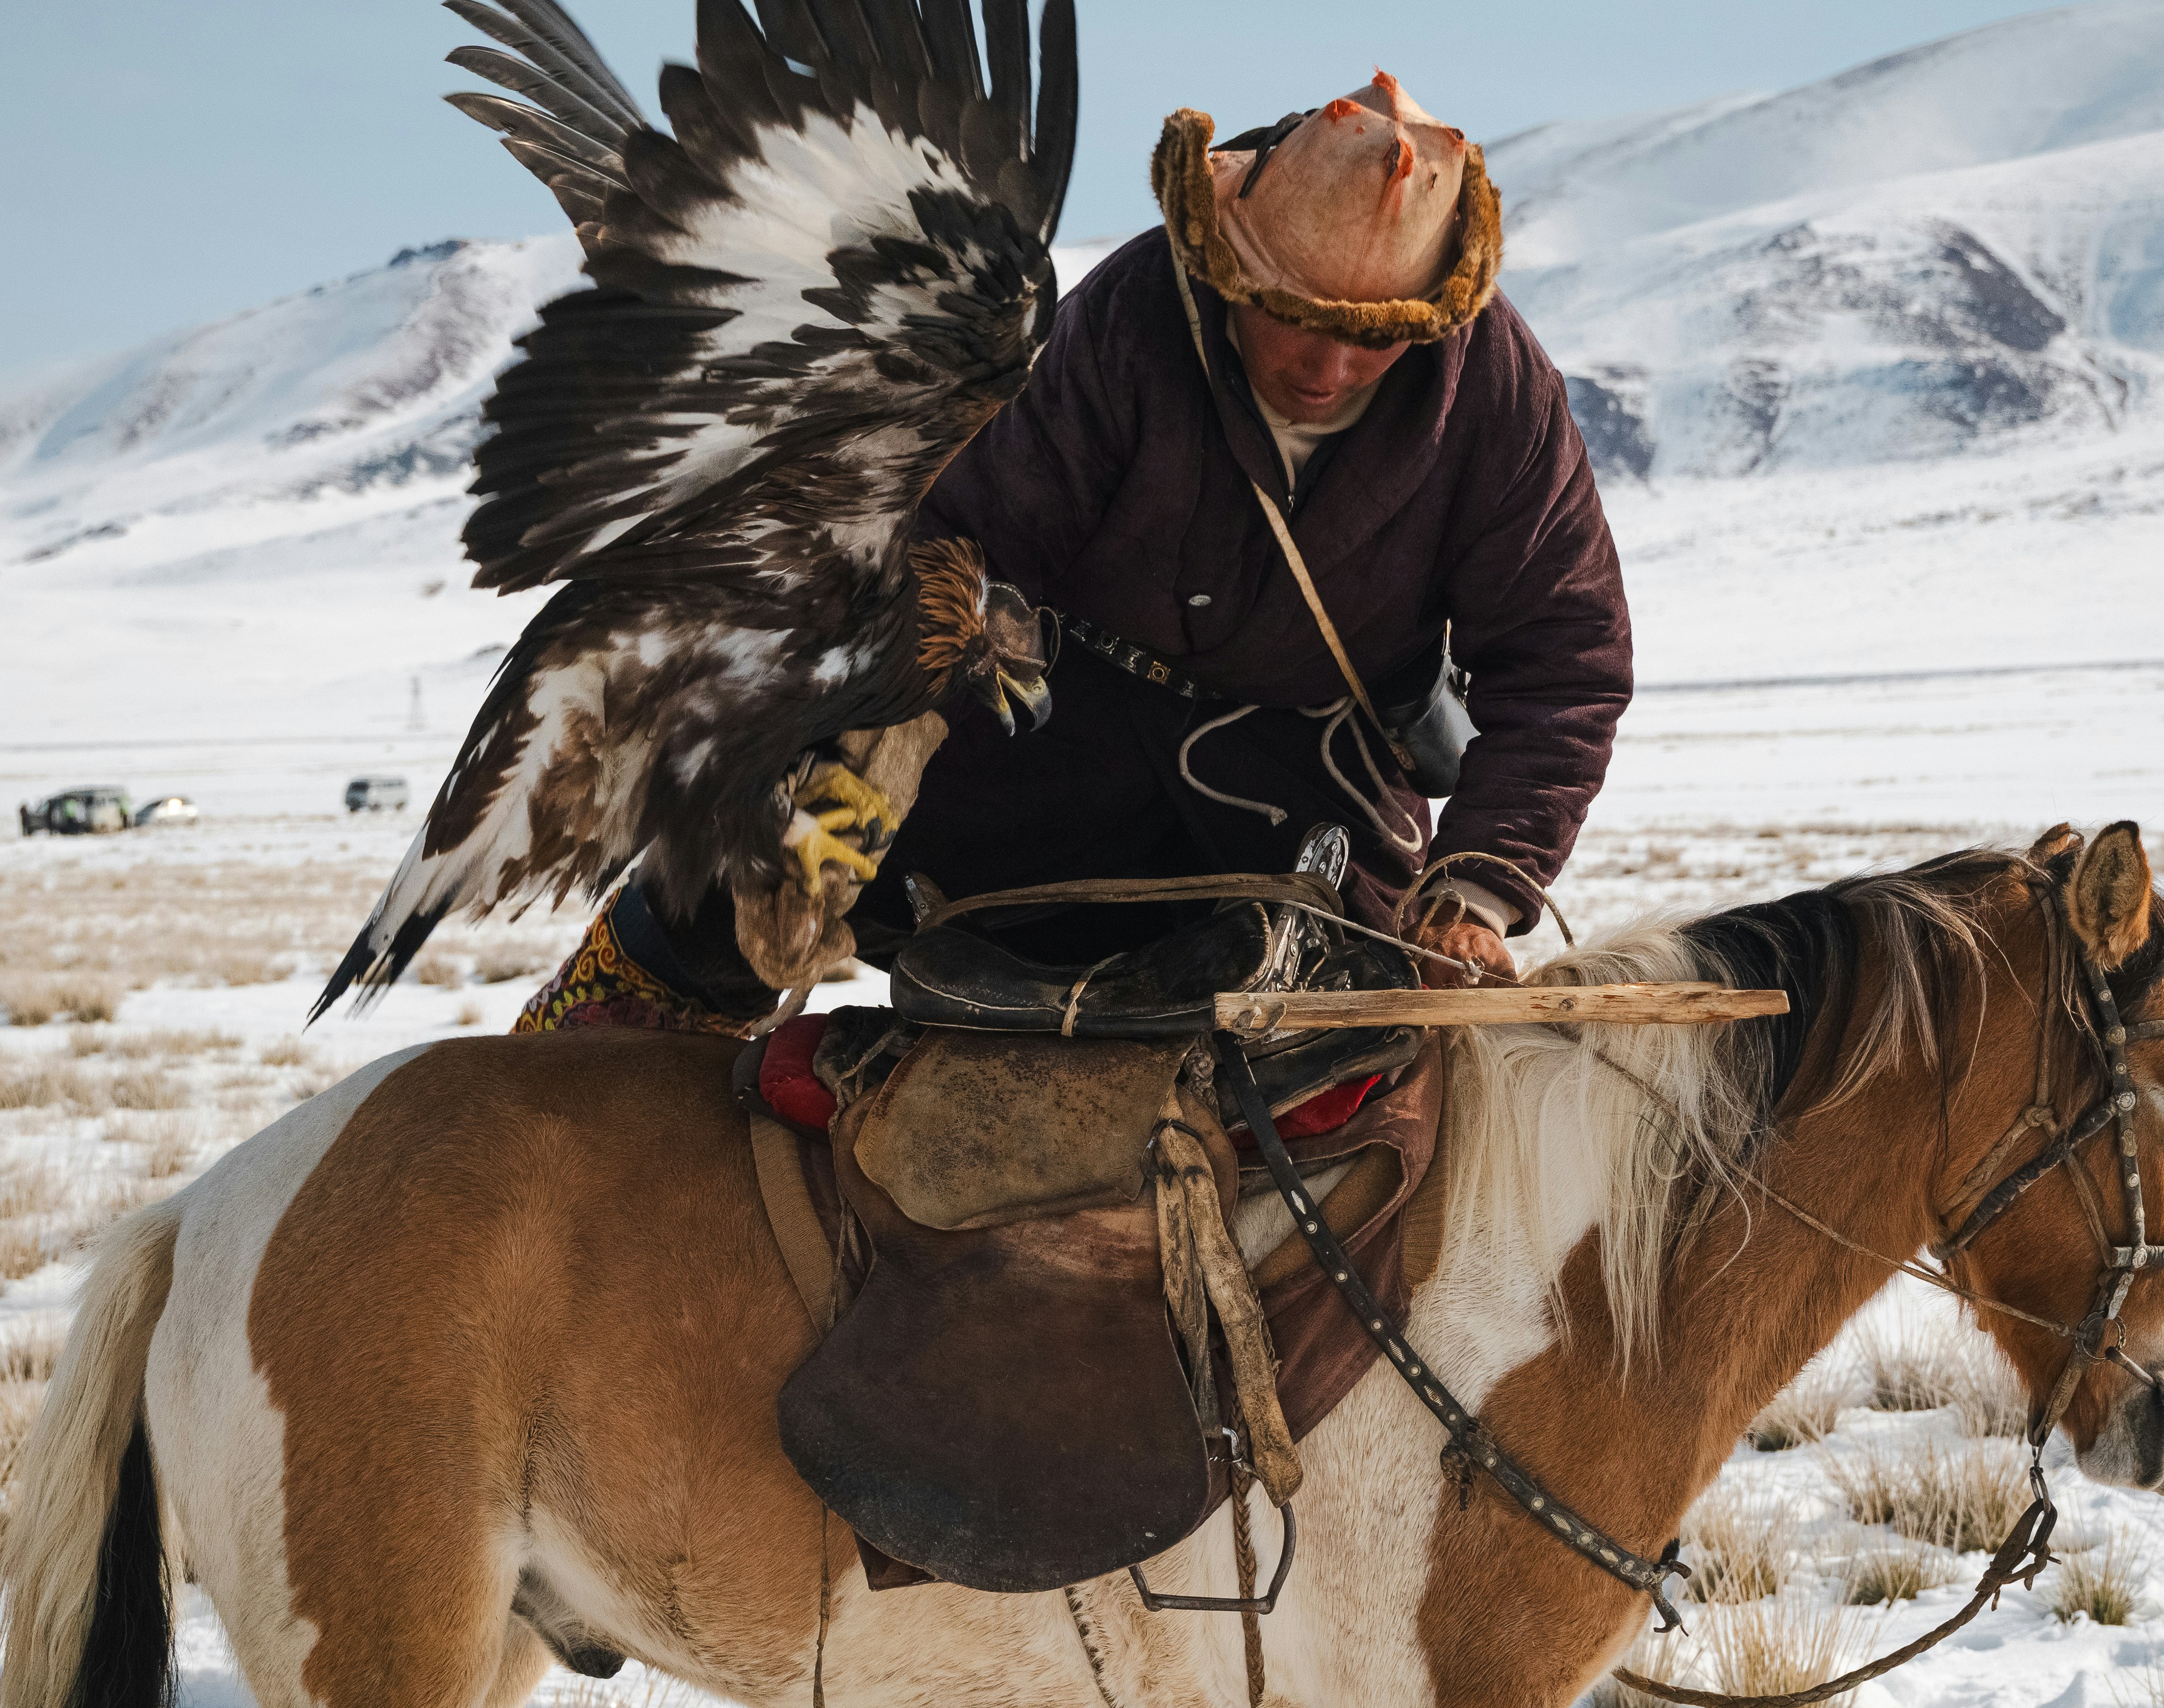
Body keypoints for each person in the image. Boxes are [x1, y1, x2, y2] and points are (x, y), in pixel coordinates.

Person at [516, 74, 1631, 1033]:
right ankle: (560, 1105)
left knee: (1399, 1113)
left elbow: (1565, 658)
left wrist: (1479, 886)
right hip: (1045, 756)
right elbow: (965, 557)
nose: (1331, 369)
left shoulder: (1497, 393)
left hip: (1310, 823)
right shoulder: (1135, 319)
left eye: (1375, 338)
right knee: (749, 877)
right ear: (1230, 260)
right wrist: (847, 801)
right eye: (1299, 317)